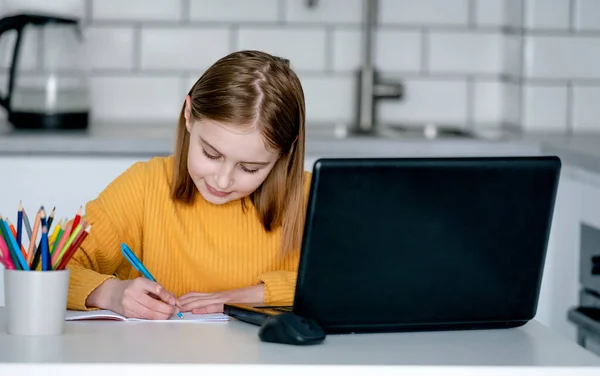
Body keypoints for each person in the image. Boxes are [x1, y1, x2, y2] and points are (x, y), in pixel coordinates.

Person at [65, 50, 311, 320]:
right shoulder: (144, 187)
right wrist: (110, 293)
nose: (223, 180)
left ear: (287, 150)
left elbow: (359, 282)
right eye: (211, 154)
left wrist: (244, 297)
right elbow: (47, 267)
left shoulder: (312, 197)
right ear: (189, 115)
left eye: (250, 168)